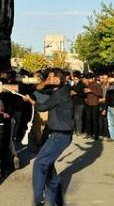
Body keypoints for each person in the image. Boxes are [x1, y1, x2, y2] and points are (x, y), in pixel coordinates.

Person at [23, 68, 73, 206]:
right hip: (56, 134)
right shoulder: (59, 90)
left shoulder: (59, 94)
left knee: (40, 164)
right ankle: (56, 200)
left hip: (60, 136)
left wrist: (30, 101)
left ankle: (38, 201)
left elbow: (42, 107)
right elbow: (39, 89)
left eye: (50, 78)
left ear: (57, 80)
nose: (47, 80)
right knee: (48, 168)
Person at [83, 73, 103, 140]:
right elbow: (85, 93)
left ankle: (96, 135)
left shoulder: (97, 84)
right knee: (88, 120)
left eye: (90, 78)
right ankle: (89, 133)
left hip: (95, 104)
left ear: (93, 78)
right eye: (88, 79)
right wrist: (85, 95)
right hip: (88, 104)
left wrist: (91, 91)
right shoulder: (87, 85)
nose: (89, 80)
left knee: (95, 120)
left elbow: (100, 94)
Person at [70, 71, 86, 136]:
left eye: (76, 79)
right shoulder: (73, 85)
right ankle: (74, 130)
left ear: (79, 79)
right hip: (73, 103)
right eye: (74, 79)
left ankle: (79, 131)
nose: (75, 80)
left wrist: (76, 93)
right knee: (73, 118)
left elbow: (84, 94)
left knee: (78, 118)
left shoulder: (82, 85)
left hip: (80, 104)